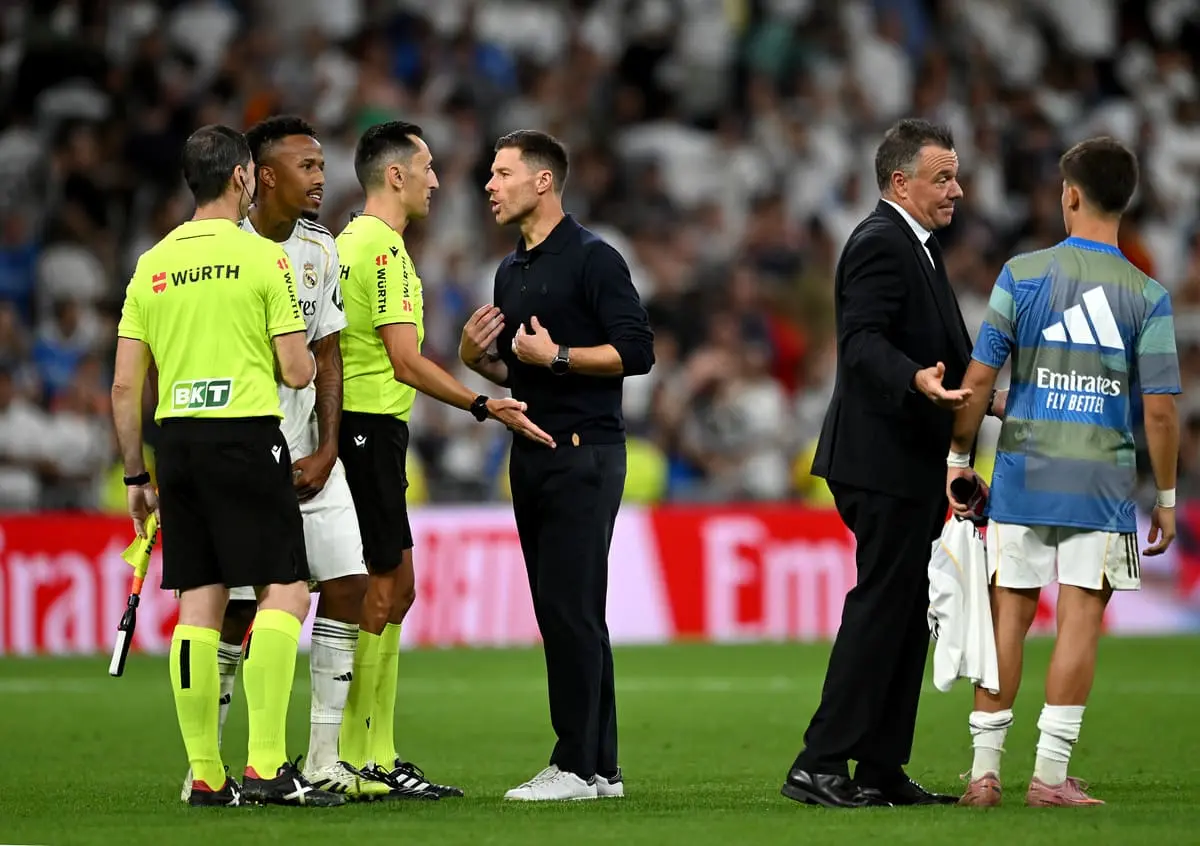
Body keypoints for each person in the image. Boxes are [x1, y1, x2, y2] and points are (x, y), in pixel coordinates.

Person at [111, 124, 342, 807]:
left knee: (199, 605)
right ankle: (267, 767)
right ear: (244, 176)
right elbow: (299, 370)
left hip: (176, 444)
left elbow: (126, 388)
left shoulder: (151, 263)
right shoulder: (260, 259)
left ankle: (206, 774)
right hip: (244, 436)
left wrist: (135, 475)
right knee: (286, 591)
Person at [950, 136, 1180, 807]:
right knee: (1080, 624)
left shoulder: (1021, 275)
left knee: (1008, 621)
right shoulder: (1148, 295)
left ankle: (983, 774)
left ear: (1070, 194)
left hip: (1023, 472)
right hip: (1101, 489)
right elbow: (1161, 412)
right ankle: (1049, 778)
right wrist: (1165, 497)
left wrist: (959, 458)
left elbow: (981, 374)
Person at [176, 115, 393, 801]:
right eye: (306, 166)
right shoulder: (223, 248)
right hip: (242, 452)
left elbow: (327, 354)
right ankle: (210, 760)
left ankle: (322, 756)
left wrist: (329, 447)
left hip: (307, 451)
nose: (321, 178)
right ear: (261, 176)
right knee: (240, 610)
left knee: (351, 583)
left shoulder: (320, 249)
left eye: (322, 165)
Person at [335, 120, 553, 799]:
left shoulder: (347, 243)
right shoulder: (381, 250)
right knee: (382, 589)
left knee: (395, 590)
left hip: (362, 429)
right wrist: (482, 403)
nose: (437, 180)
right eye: (426, 167)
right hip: (368, 428)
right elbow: (402, 361)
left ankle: (370, 752)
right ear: (395, 175)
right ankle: (359, 757)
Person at [782, 118, 983, 808]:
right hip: (881, 458)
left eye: (955, 175)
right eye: (943, 177)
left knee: (904, 612)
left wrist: (979, 398)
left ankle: (881, 766)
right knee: (881, 607)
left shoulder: (916, 246)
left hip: (912, 460)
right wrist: (915, 381)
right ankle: (820, 762)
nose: (957, 189)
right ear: (901, 182)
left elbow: (939, 352)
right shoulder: (879, 242)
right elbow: (861, 342)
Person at [460, 129, 655, 801]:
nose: (490, 183)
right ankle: (601, 767)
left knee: (570, 611)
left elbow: (637, 351)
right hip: (531, 454)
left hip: (584, 454)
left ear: (543, 182)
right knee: (570, 613)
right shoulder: (510, 270)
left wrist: (563, 358)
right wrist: (474, 360)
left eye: (503, 172)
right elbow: (518, 366)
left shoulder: (595, 259)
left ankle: (572, 764)